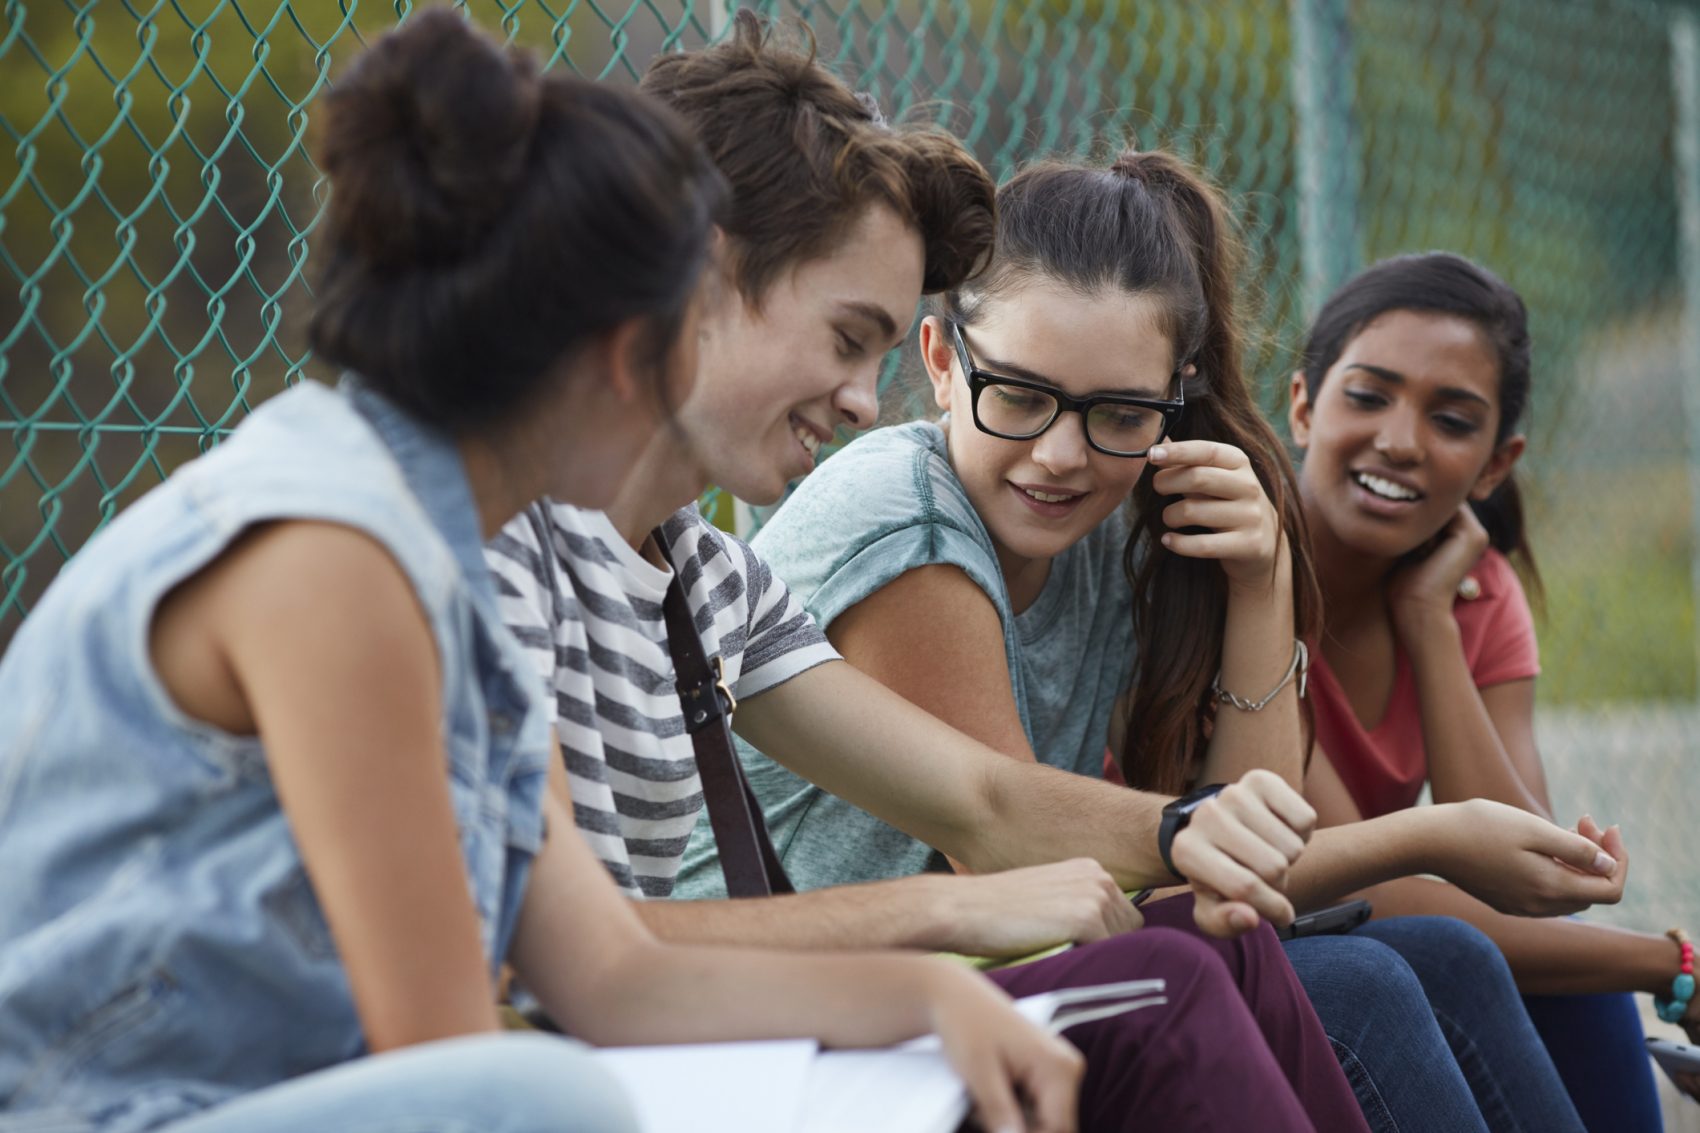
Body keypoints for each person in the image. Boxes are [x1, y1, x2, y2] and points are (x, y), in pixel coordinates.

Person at [0, 14, 1087, 1133]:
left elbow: (611, 975)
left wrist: (927, 989)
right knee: (540, 1096)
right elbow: (453, 1061)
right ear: (625, 350)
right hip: (102, 1109)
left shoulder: (456, 559)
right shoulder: (334, 549)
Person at [487, 14, 1369, 1131]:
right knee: (1167, 983)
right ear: (698, 278)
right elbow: (572, 960)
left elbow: (980, 797)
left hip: (680, 1050)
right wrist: (939, 932)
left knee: (1204, 953)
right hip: (573, 1079)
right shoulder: (497, 538)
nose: (864, 399)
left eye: (1113, 412)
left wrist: (1175, 825)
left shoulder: (699, 574)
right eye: (849, 336)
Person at [695, 151, 1620, 1132]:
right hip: (814, 1005)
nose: (1059, 453)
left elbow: (1252, 870)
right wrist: (1431, 836)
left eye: (1117, 412)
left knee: (1445, 955)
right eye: (1015, 393)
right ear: (937, 360)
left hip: (972, 968)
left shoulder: (1112, 520)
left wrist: (1258, 583)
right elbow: (1011, 859)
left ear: (1168, 400)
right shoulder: (908, 521)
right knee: (1351, 987)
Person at [1288, 250, 1694, 1129]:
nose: (1400, 440)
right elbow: (1344, 885)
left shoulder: (1473, 589)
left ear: (1494, 463)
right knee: (1468, 954)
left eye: (1451, 419)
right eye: (1367, 395)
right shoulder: (1247, 581)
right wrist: (1673, 962)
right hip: (1253, 919)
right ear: (1302, 405)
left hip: (1378, 928)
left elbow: (1532, 875)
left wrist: (1429, 620)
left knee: (1569, 980)